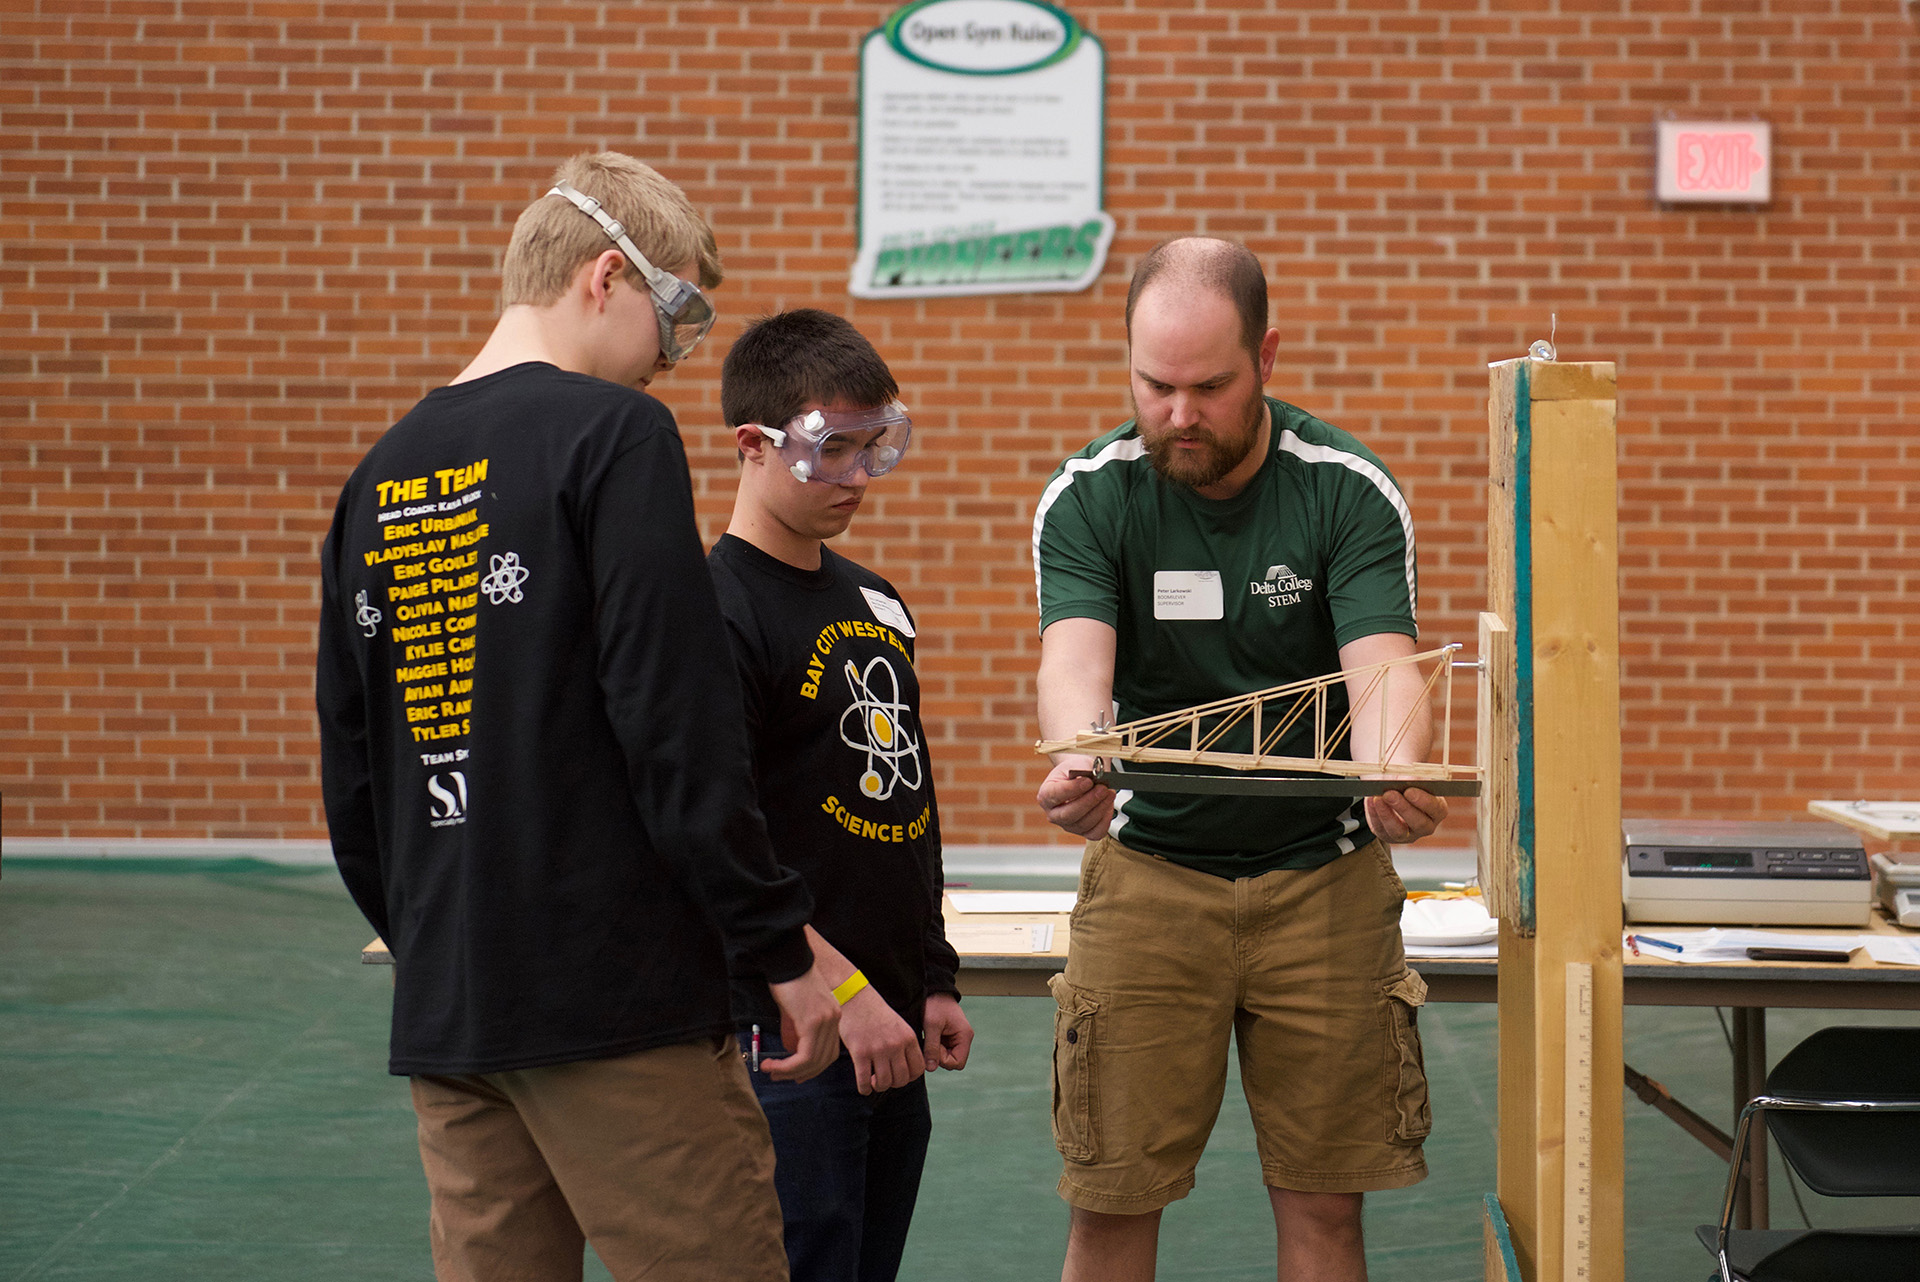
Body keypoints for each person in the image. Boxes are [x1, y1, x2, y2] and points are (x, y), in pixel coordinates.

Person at [315, 151, 843, 1282]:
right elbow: (678, 727)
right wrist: (775, 949)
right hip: (619, 1005)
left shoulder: (377, 477)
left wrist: (440, 941)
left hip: (457, 1009)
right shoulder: (614, 436)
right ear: (606, 277)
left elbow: (358, 780)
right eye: (678, 316)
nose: (673, 360)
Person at [1030, 237, 1450, 1282]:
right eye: (1154, 384)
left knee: (1323, 1214)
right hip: (1148, 882)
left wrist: (1391, 766)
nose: (1178, 414)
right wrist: (1083, 758)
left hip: (1325, 885)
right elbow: (1075, 658)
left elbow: (1385, 666)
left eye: (1209, 386)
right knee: (1111, 1206)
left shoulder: (1345, 492)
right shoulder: (1089, 495)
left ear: (1268, 355)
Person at [708, 308, 974, 1282]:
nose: (859, 478)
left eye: (877, 447)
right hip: (796, 1030)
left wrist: (932, 975)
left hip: (894, 1018)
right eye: (832, 451)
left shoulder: (879, 600)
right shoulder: (715, 613)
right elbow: (721, 836)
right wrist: (843, 993)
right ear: (755, 444)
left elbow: (912, 806)